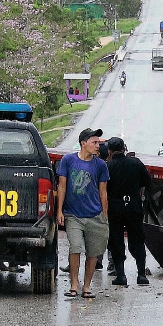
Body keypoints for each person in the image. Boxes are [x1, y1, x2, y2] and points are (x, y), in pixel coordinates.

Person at [56, 128, 110, 299]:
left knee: (93, 253)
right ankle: (74, 284)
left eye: (99, 143)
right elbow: (62, 186)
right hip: (73, 215)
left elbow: (103, 192)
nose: (98, 146)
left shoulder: (101, 165)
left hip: (95, 215)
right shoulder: (68, 160)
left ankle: (86, 286)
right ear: (83, 143)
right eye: (94, 142)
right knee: (75, 247)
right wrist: (60, 211)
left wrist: (104, 215)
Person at [105, 136, 152, 287]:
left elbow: (103, 188)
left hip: (115, 208)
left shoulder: (108, 166)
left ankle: (121, 275)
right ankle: (141, 275)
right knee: (137, 239)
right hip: (133, 206)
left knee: (116, 240)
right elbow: (147, 182)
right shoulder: (136, 163)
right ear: (124, 148)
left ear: (110, 151)